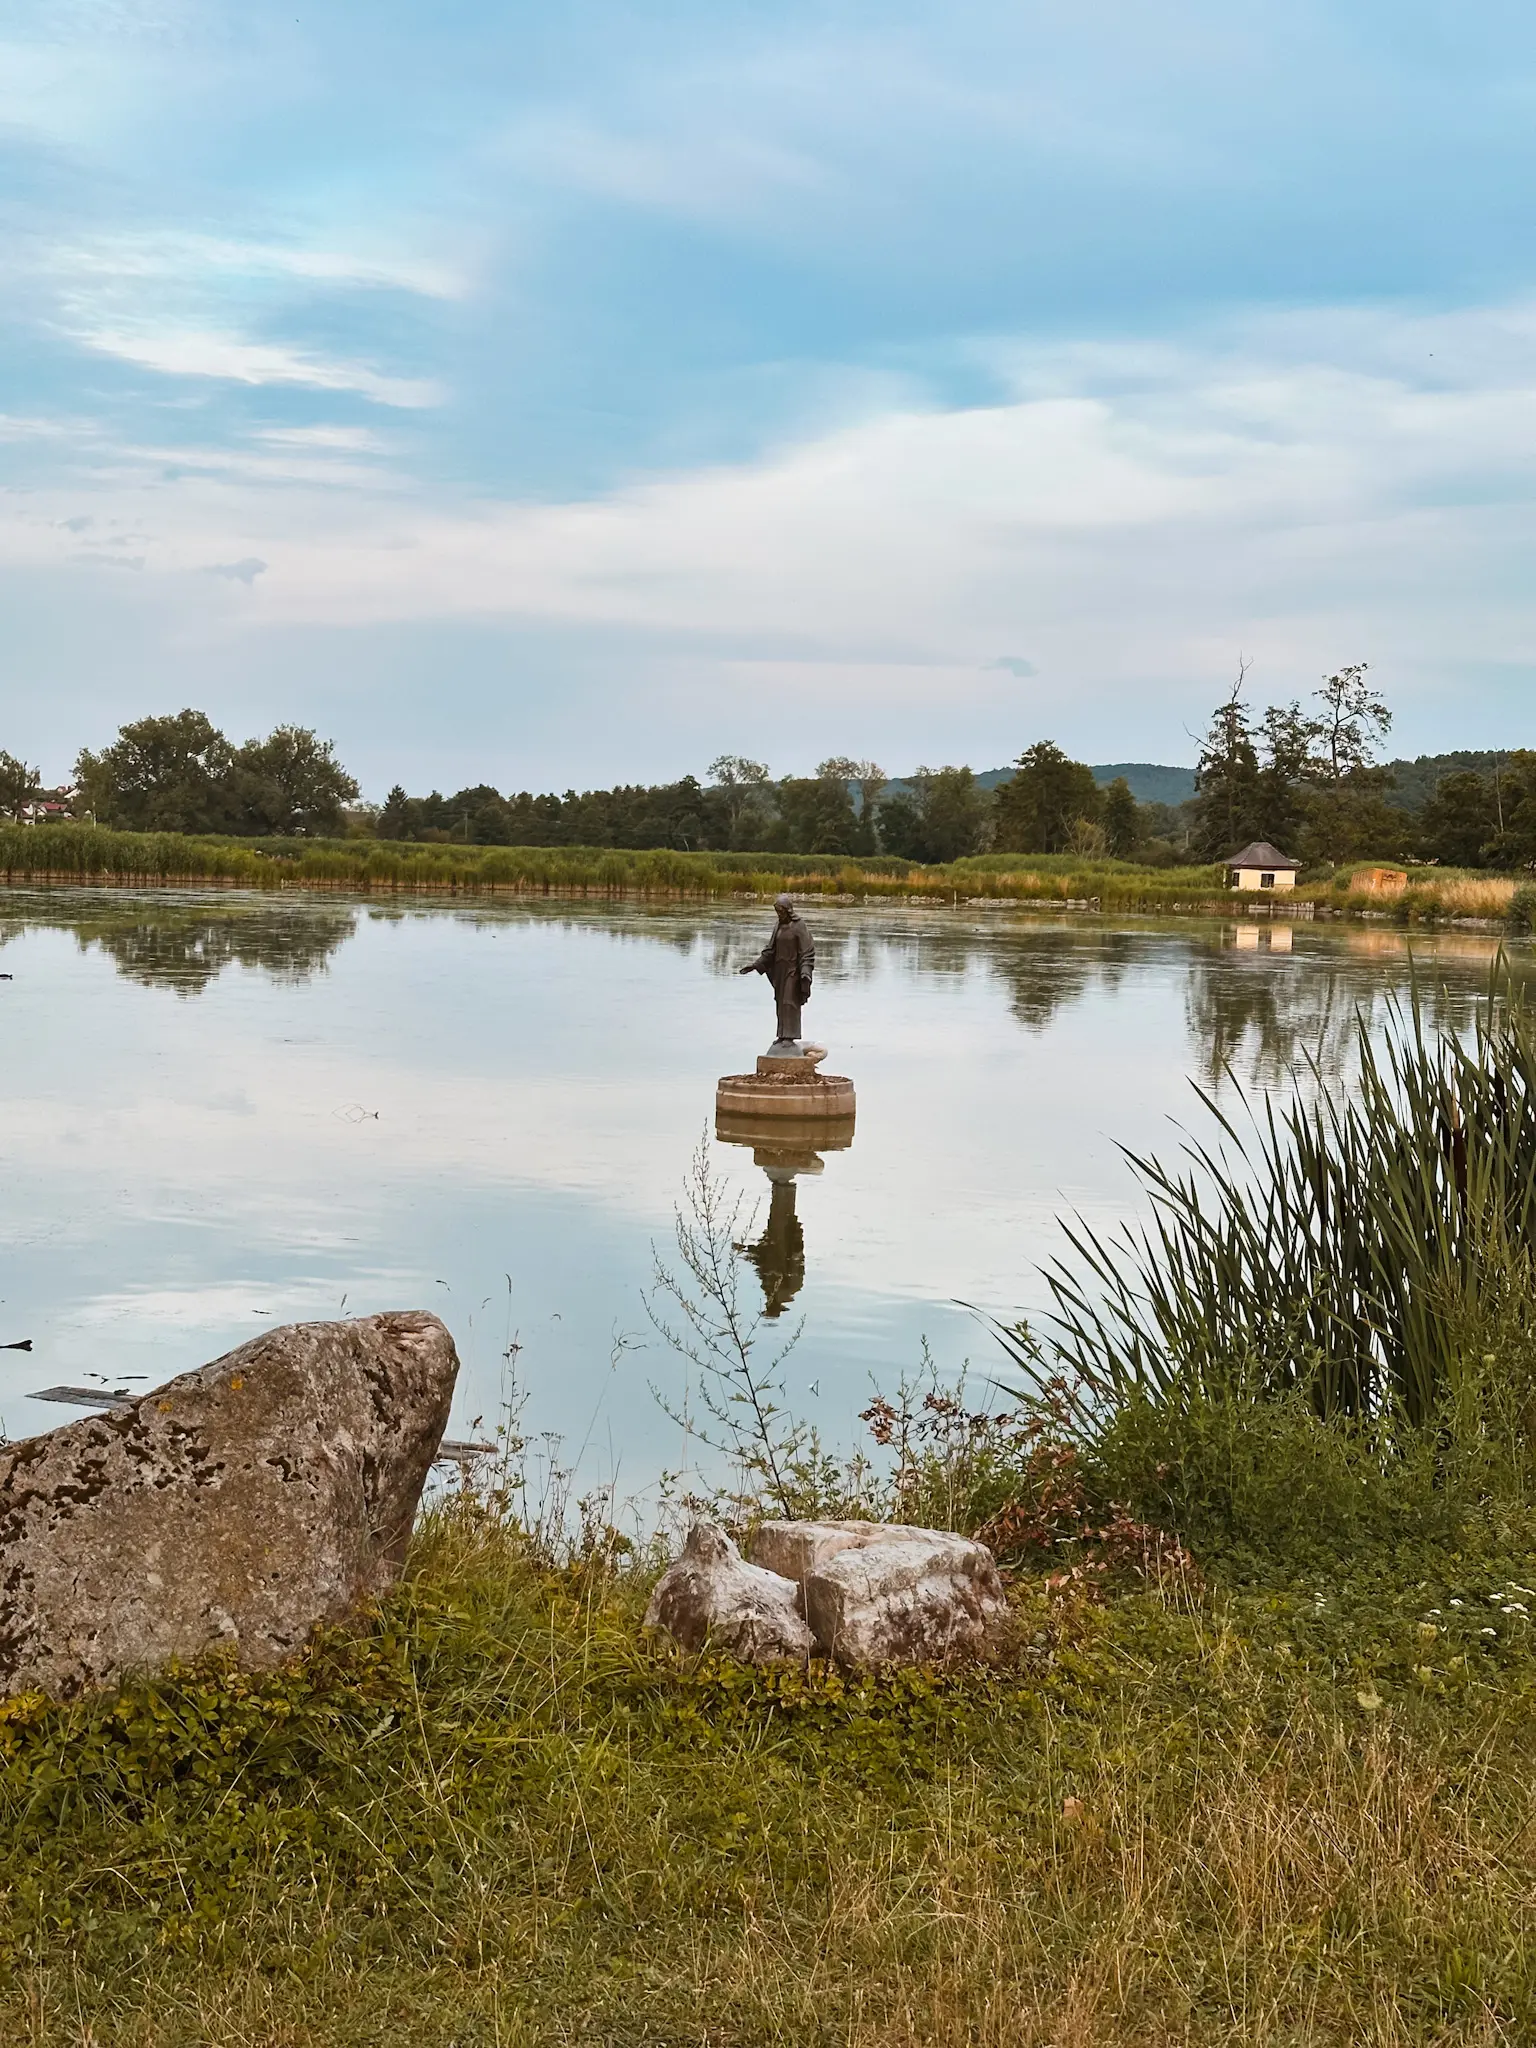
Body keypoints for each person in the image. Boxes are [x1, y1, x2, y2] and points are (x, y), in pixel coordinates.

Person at [740, 893, 814, 1050]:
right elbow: (770, 951)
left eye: (781, 911)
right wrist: (754, 965)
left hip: (793, 971)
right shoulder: (778, 926)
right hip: (780, 971)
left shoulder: (799, 926)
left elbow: (807, 951)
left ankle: (791, 1036)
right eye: (777, 912)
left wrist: (805, 973)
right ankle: (782, 1035)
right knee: (780, 1003)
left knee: (789, 1002)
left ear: (788, 910)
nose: (779, 915)